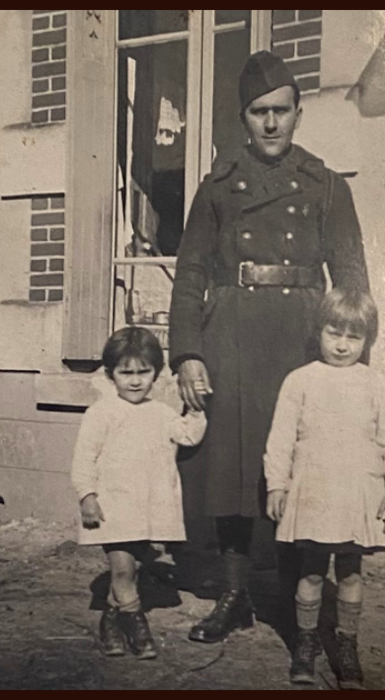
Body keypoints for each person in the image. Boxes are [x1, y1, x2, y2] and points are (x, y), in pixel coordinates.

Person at [168, 50, 371, 645]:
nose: (272, 123)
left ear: (299, 113)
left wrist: (356, 366)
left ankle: (292, 598)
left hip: (303, 340)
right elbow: (190, 274)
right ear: (243, 118)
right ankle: (234, 597)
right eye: (259, 113)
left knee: (302, 466)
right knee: (233, 467)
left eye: (282, 111)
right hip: (229, 333)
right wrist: (188, 353)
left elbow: (354, 282)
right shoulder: (218, 186)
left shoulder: (326, 185)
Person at [264, 289, 385, 689]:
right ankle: (306, 641)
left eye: (354, 337)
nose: (342, 344)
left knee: (351, 571)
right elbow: (281, 439)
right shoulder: (300, 381)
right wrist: (277, 486)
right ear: (319, 331)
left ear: (368, 341)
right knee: (312, 570)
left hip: (356, 490)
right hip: (313, 488)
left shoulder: (375, 384)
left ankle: (346, 645)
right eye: (334, 333)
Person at [70, 327, 207, 659]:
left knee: (132, 569)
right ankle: (137, 626)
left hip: (145, 508)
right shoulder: (100, 413)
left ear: (156, 374)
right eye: (125, 372)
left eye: (143, 372)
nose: (134, 381)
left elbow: (188, 436)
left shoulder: (161, 413)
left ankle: (111, 623)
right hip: (112, 506)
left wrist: (198, 408)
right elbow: (83, 458)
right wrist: (87, 495)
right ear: (110, 374)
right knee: (120, 570)